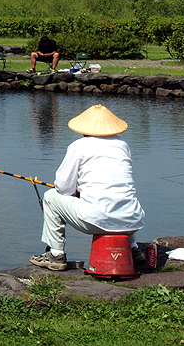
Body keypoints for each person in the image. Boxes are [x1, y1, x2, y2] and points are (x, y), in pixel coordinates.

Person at [30, 104, 146, 272]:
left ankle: (55, 254)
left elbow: (62, 187)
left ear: (83, 128)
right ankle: (133, 249)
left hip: (95, 221)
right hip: (133, 221)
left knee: (50, 197)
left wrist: (77, 191)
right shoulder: (123, 145)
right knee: (119, 196)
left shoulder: (79, 146)